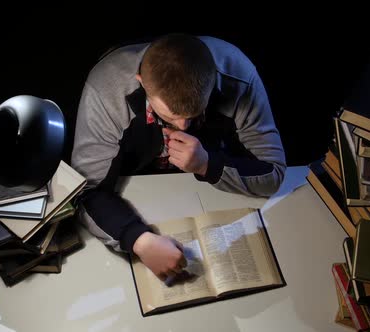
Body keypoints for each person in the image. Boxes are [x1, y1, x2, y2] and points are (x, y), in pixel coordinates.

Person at [71, 33, 286, 282]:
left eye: (195, 113)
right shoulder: (106, 87)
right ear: (140, 82)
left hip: (208, 196)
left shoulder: (238, 76)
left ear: (215, 82)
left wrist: (208, 164)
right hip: (134, 189)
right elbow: (84, 190)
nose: (183, 126)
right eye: (171, 115)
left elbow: (273, 172)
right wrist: (137, 239)